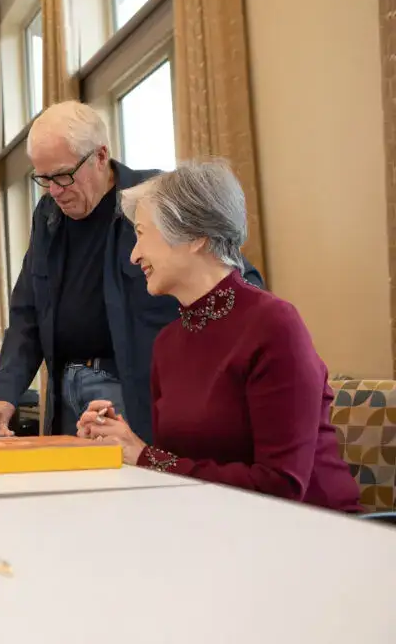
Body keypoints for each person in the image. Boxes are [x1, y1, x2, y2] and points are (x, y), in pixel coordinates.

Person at [77, 160, 360, 512]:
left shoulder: (274, 325)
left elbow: (282, 487)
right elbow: (179, 469)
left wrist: (145, 456)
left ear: (195, 236)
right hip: (220, 527)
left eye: (142, 234)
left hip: (316, 534)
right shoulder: (168, 344)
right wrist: (121, 440)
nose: (134, 255)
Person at [0, 101, 262, 442]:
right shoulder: (48, 216)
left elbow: (234, 277)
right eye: (44, 178)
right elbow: (27, 314)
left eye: (64, 175)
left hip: (133, 391)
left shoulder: (154, 200)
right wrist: (5, 393)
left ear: (100, 156)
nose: (54, 191)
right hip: (67, 392)